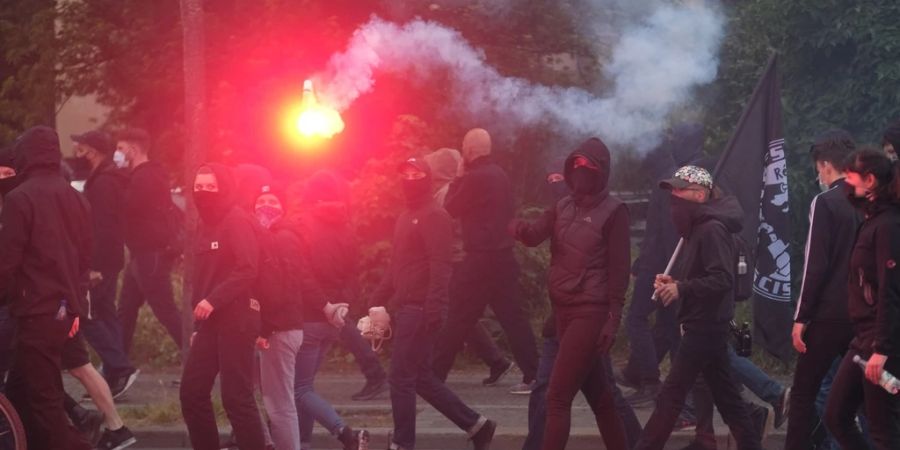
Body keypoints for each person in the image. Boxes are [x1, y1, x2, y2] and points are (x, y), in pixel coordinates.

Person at [517, 147, 641, 450]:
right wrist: (510, 226)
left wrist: (613, 317)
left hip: (591, 313)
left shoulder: (614, 211)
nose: (581, 171)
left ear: (602, 170)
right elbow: (533, 235)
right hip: (563, 313)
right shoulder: (562, 206)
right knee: (602, 400)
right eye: (576, 165)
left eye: (588, 166)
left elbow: (619, 272)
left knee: (557, 398)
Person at [370, 157, 495, 450]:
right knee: (422, 377)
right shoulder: (405, 216)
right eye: (406, 173)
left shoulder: (434, 216)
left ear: (426, 178)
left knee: (400, 377)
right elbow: (397, 264)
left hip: (420, 308)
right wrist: (378, 296)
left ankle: (402, 443)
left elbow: (442, 264)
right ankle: (477, 426)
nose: (410, 178)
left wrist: (436, 306)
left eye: (417, 173)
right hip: (406, 306)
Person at [633, 165, 761, 450]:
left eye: (680, 191)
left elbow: (722, 278)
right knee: (729, 402)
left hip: (704, 327)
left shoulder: (712, 229)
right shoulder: (698, 228)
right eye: (673, 192)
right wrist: (675, 281)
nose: (674, 198)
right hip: (706, 326)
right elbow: (705, 275)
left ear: (700, 195)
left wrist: (680, 288)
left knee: (671, 397)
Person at [0, 126, 92, 450]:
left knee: (44, 403)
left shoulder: (19, 198)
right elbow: (83, 259)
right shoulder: (76, 198)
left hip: (36, 311)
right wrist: (75, 305)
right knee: (19, 397)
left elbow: (7, 262)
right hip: (63, 311)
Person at [434, 128, 539, 394]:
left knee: (457, 318)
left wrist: (458, 177)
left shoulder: (474, 178)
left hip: (479, 262)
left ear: (469, 151)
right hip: (503, 259)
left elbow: (449, 208)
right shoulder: (500, 175)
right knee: (513, 319)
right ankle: (534, 374)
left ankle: (433, 377)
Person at [179, 164, 266, 450]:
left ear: (224, 189)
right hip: (210, 321)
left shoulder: (236, 220)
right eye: (198, 187)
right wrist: (199, 324)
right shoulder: (205, 225)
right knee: (192, 392)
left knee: (236, 397)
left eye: (210, 187)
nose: (202, 193)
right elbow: (203, 278)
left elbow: (247, 269)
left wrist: (212, 300)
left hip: (237, 316)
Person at [785, 130, 862, 449]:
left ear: (827, 165)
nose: (817, 174)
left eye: (818, 167)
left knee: (803, 392)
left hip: (829, 315)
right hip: (864, 315)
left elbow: (815, 264)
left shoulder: (826, 202)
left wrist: (801, 318)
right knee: (868, 397)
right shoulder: (872, 199)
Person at [621, 124, 704, 404]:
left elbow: (660, 233)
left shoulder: (664, 184)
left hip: (660, 268)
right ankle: (681, 387)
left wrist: (647, 266)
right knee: (670, 326)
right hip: (668, 267)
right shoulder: (675, 179)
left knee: (637, 319)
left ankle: (649, 381)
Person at [824, 149, 900, 450]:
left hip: (883, 343)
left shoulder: (889, 225)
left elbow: (891, 290)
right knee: (836, 415)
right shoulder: (870, 221)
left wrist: (882, 350)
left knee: (882, 429)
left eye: (852, 174)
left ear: (870, 180)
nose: (846, 180)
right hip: (864, 339)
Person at [290, 171, 371, 449]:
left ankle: (346, 434)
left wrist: (324, 306)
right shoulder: (346, 227)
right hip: (333, 322)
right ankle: (303, 442)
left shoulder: (304, 226)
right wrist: (340, 308)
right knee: (306, 386)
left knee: (298, 389)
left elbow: (302, 276)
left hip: (309, 317)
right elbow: (353, 274)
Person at [424, 147, 514, 386]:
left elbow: (443, 227)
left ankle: (434, 370)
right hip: (457, 258)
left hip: (453, 261)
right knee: (463, 315)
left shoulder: (445, 193)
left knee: (453, 315)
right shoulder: (448, 190)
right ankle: (496, 360)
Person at [71, 129, 139, 397]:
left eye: (82, 148)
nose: (79, 154)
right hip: (110, 257)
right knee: (105, 311)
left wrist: (93, 265)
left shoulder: (103, 183)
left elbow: (102, 227)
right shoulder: (108, 179)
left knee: (88, 316)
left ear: (93, 151)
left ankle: (119, 366)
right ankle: (115, 368)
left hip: (102, 259)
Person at [117, 128, 183, 353]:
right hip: (142, 253)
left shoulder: (146, 177)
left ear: (133, 150)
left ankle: (198, 359)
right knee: (126, 309)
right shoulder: (145, 175)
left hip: (150, 254)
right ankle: (118, 364)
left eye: (120, 149)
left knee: (165, 310)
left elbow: (129, 207)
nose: (117, 154)